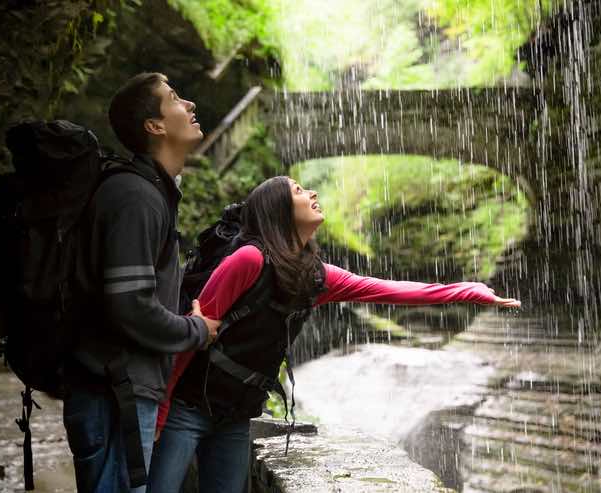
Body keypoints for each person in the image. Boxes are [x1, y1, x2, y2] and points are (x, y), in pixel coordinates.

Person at [147, 175, 520, 492]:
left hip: (236, 415)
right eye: (297, 190)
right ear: (277, 211)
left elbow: (389, 290)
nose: (311, 194)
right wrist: (161, 414)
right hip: (188, 407)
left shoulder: (315, 275)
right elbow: (191, 339)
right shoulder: (247, 259)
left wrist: (469, 291)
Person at [62, 72, 221, 492]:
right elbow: (129, 304)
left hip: (120, 391)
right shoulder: (135, 197)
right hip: (112, 393)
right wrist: (195, 331)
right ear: (154, 126)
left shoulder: (149, 192)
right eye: (174, 98)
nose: (188, 105)